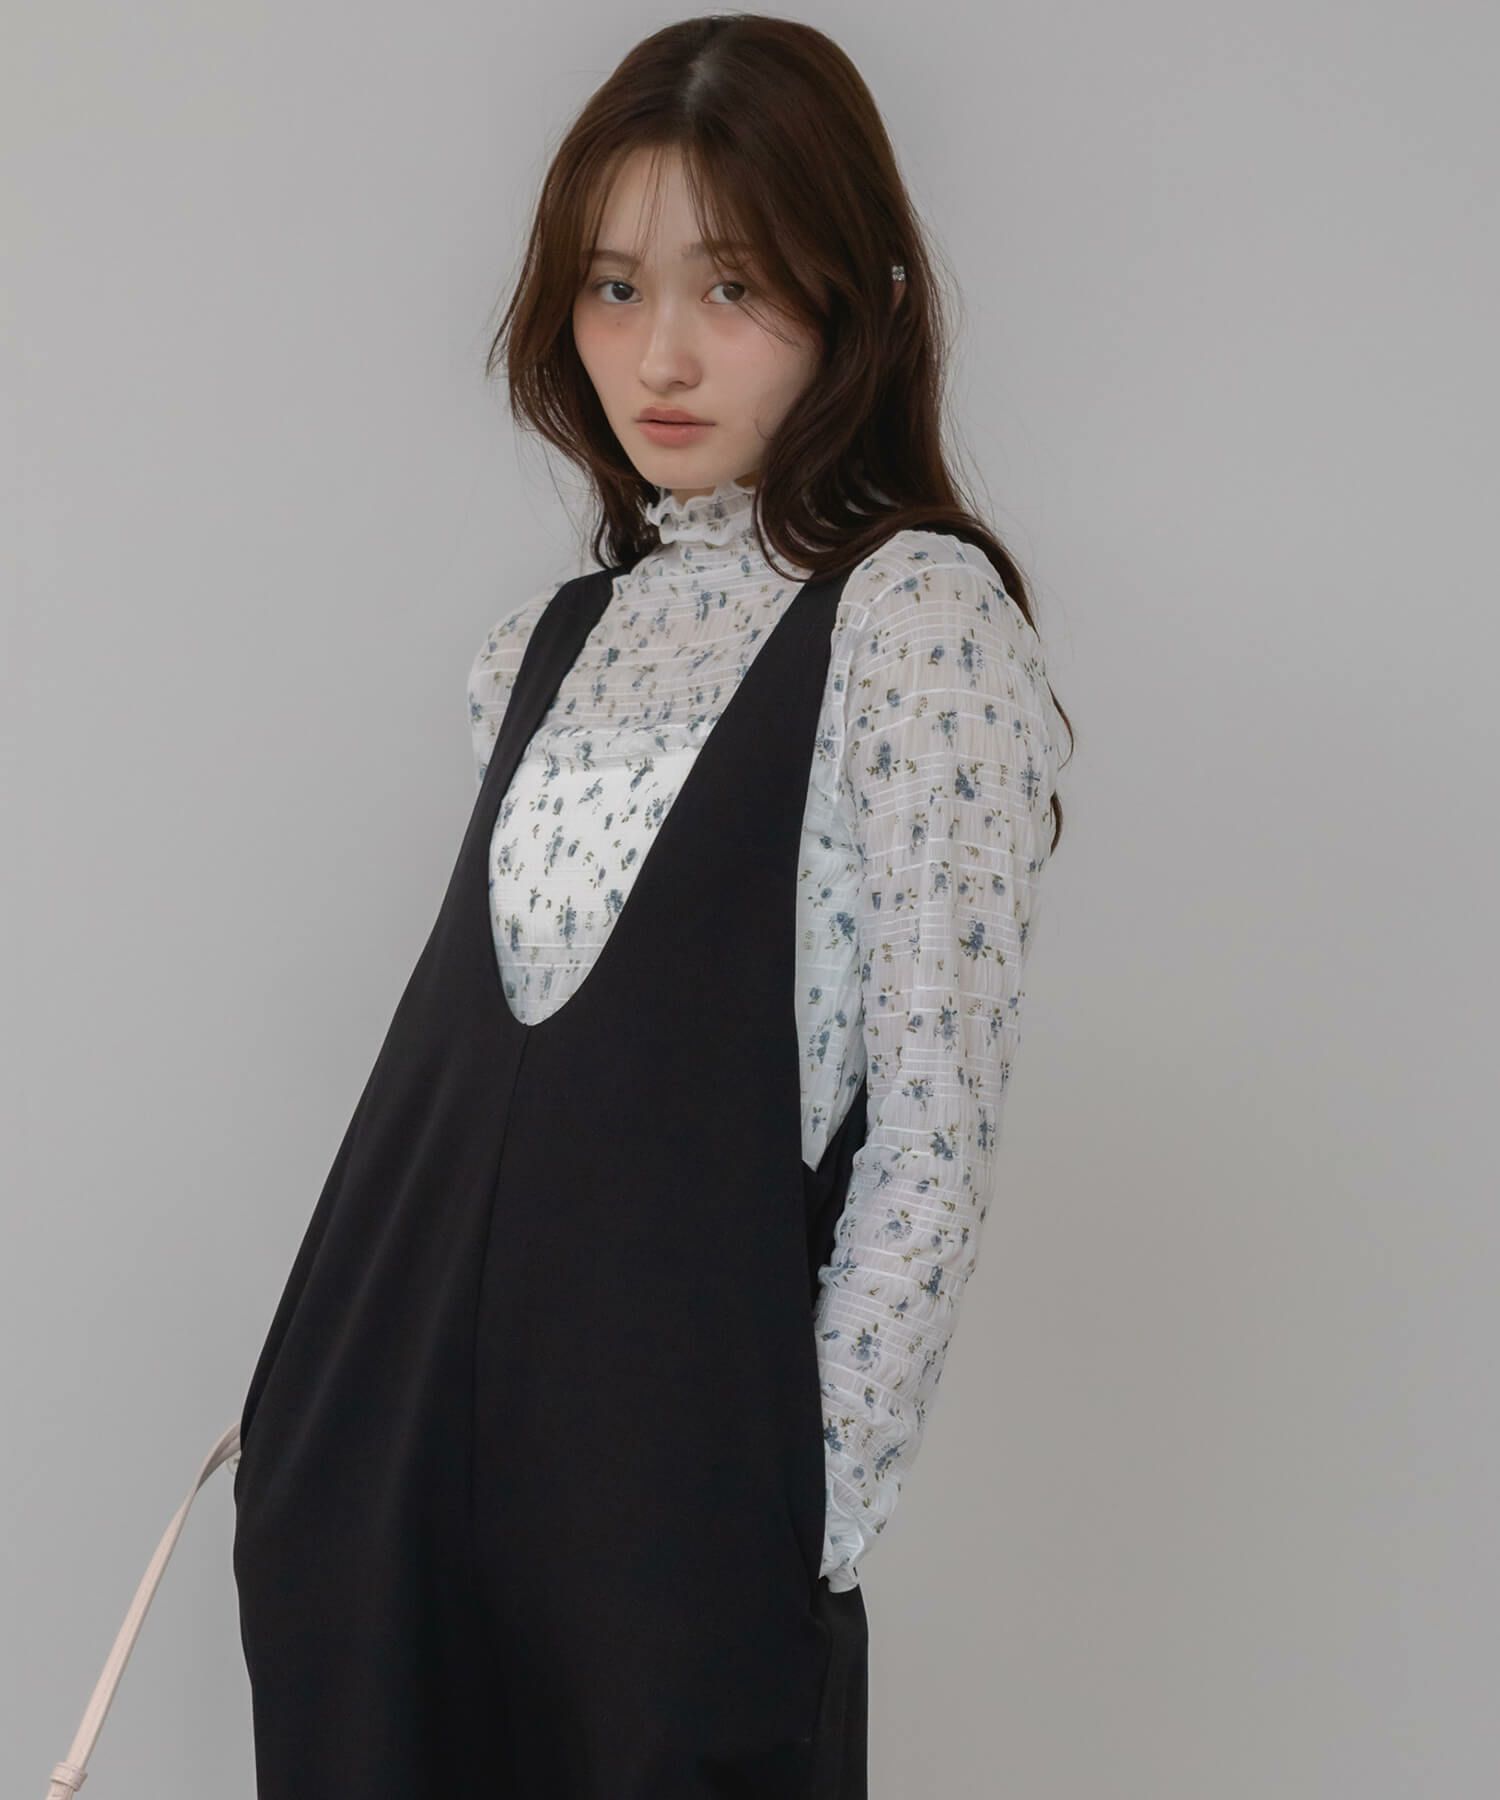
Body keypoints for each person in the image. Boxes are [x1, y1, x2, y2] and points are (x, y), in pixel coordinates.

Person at [231, 15, 1072, 1798]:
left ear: (862, 300)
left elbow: (931, 1140)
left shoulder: (915, 626)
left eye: (734, 285)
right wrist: (313, 1431)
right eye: (614, 288)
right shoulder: (540, 647)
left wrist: (798, 1514)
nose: (662, 354)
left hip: (666, 1519)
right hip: (384, 1480)